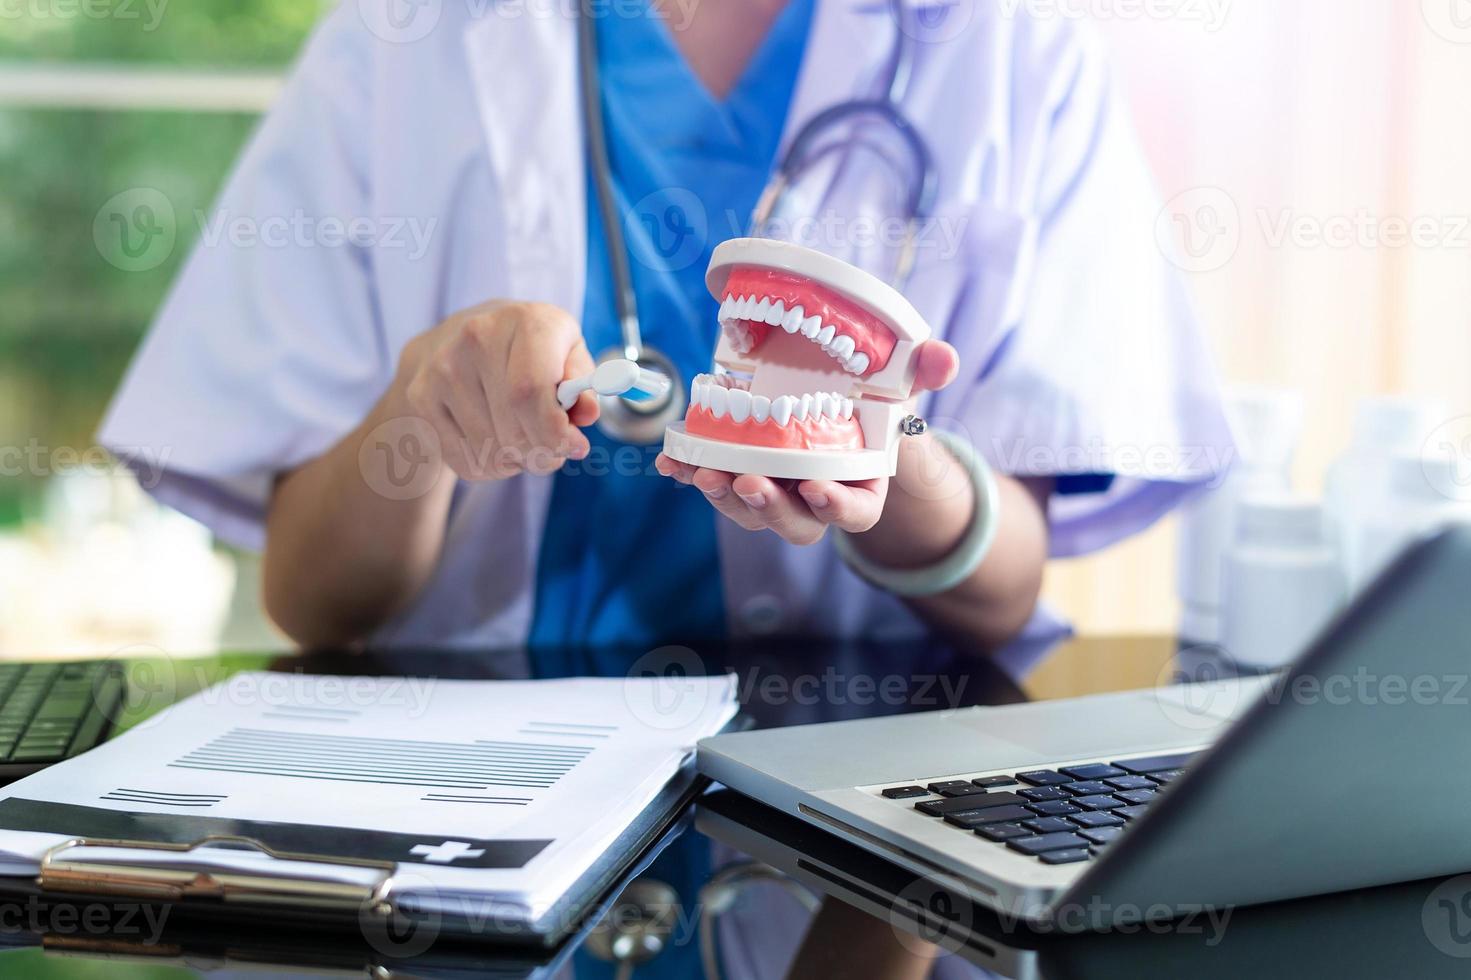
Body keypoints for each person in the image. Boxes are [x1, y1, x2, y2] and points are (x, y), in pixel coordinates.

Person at [99, 0, 1232, 975]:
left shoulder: (1006, 41)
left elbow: (1003, 587)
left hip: (854, 838)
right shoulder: (403, 36)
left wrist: (895, 459)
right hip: (463, 830)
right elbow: (313, 598)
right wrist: (418, 413)